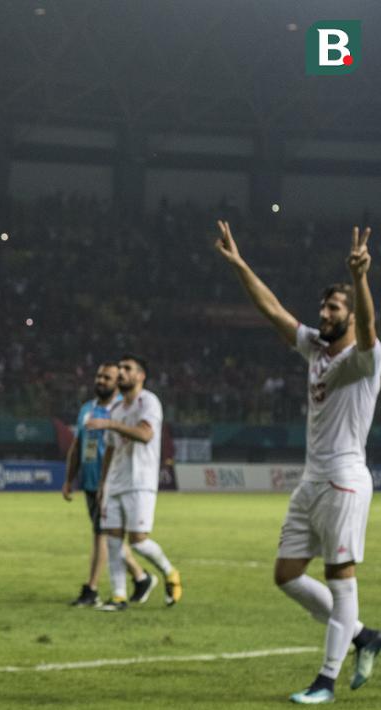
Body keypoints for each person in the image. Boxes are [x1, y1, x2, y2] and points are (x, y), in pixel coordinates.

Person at [215, 220, 381, 703]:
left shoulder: (365, 360)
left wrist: (361, 279)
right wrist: (241, 264)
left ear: (348, 316)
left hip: (345, 481)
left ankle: (325, 681)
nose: (323, 313)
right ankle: (363, 636)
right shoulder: (315, 347)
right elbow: (272, 310)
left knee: (340, 575)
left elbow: (369, 331)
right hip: (312, 482)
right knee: (286, 574)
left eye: (333, 308)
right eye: (323, 306)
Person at [86, 354, 182, 613]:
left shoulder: (148, 402)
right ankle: (118, 597)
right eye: (120, 369)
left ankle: (169, 572)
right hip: (115, 483)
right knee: (114, 542)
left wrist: (108, 423)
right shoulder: (117, 409)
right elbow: (110, 450)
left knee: (138, 541)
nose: (121, 372)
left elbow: (145, 434)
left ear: (141, 376)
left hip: (140, 481)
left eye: (127, 369)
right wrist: (103, 484)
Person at [62, 362, 148, 607]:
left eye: (107, 378)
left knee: (101, 536)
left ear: (117, 382)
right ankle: (141, 577)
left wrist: (107, 483)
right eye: (98, 376)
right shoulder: (86, 409)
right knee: (110, 537)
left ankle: (91, 589)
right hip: (91, 481)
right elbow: (78, 445)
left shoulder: (123, 410)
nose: (101, 381)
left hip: (114, 483)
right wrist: (69, 479)